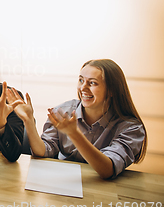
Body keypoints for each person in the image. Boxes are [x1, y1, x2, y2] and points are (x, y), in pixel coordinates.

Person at [10, 59, 147, 179]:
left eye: (92, 83)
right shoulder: (64, 111)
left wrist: (74, 133)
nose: (83, 88)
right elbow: (43, 151)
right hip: (63, 183)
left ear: (112, 90)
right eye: (81, 80)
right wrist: (28, 120)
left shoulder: (131, 128)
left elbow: (107, 170)